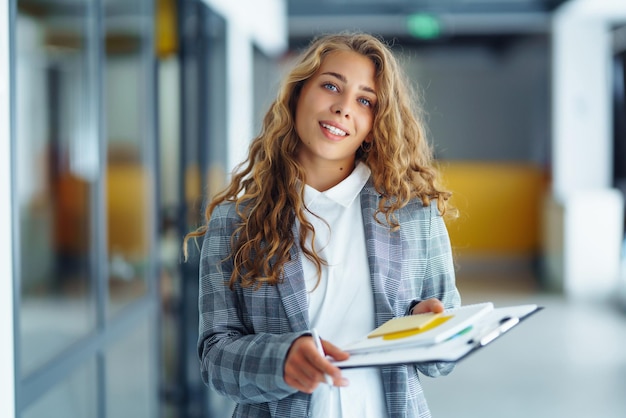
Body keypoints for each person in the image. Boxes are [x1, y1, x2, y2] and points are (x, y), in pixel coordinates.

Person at [184, 32, 461, 418]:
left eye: (365, 100)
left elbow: (444, 359)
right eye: (331, 85)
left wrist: (425, 328)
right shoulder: (235, 222)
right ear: (298, 93)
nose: (343, 108)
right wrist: (280, 360)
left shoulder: (414, 213)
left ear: (374, 122)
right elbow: (215, 359)